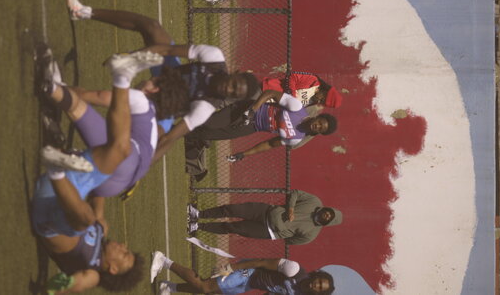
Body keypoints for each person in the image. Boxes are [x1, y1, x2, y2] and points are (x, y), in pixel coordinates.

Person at [66, 0, 260, 164]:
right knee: (152, 27)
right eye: (234, 84)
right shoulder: (214, 57)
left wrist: (143, 165)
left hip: (163, 107)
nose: (228, 89)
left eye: (234, 94)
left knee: (148, 137)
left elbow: (170, 138)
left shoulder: (206, 107)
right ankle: (82, 12)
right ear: (235, 73)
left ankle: (93, 159)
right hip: (168, 74)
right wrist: (131, 59)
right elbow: (167, 50)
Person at [32, 50, 162, 293]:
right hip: (64, 187)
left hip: (47, 216)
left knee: (85, 220)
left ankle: (58, 166)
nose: (123, 246)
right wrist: (104, 170)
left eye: (124, 254)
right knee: (118, 152)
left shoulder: (93, 271)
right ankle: (121, 76)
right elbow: (99, 193)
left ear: (112, 268)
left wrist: (57, 288)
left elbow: (80, 282)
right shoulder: (102, 228)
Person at [37, 45, 189, 198]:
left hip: (123, 157)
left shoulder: (141, 100)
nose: (146, 79)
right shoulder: (152, 130)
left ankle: (52, 86)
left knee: (77, 106)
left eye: (152, 79)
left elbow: (96, 96)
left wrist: (64, 90)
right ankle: (62, 146)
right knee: (77, 168)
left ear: (154, 89)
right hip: (116, 186)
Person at [185, 89, 338, 164]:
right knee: (210, 123)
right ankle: (183, 113)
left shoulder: (296, 138)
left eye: (320, 129)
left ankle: (185, 134)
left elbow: (270, 144)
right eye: (320, 123)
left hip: (252, 127)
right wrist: (253, 109)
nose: (317, 126)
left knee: (208, 134)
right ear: (317, 117)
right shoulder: (297, 108)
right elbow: (270, 93)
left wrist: (244, 154)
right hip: (248, 110)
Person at [186, 189, 342, 245]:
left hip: (267, 231)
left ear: (328, 222)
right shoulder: (314, 202)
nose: (327, 214)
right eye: (329, 212)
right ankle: (198, 214)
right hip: (266, 211)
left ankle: (197, 226)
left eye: (329, 218)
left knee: (232, 227)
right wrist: (290, 208)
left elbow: (291, 241)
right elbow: (295, 193)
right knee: (232, 209)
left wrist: (282, 229)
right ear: (328, 208)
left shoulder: (312, 234)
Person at [149, 251, 335, 295]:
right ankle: (163, 260)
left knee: (211, 291)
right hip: (248, 272)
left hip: (250, 284)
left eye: (320, 288)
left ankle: (168, 287)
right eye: (319, 281)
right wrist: (231, 268)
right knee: (206, 286)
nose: (316, 285)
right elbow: (261, 262)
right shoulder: (294, 270)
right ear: (317, 275)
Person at [262, 71, 342, 108]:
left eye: (321, 102)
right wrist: (292, 96)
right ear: (325, 91)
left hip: (267, 103)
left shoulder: (312, 101)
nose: (318, 101)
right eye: (322, 99)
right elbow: (292, 76)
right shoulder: (313, 80)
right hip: (266, 89)